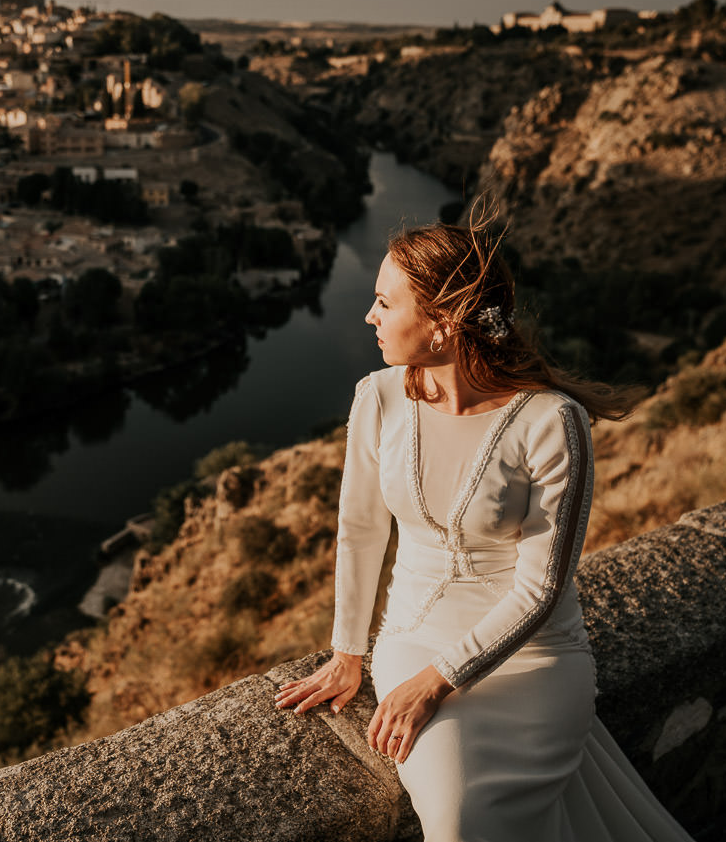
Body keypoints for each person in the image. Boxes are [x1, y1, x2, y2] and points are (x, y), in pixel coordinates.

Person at [273, 222, 695, 842]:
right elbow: (360, 530)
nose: (369, 316)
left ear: (444, 321)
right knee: (458, 811)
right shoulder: (378, 397)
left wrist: (437, 681)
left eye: (385, 302)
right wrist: (347, 654)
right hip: (414, 635)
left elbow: (542, 588)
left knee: (469, 816)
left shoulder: (554, 422)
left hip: (537, 656)